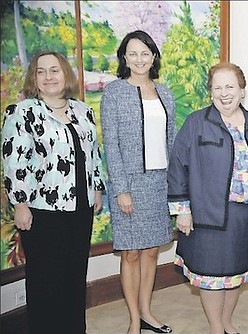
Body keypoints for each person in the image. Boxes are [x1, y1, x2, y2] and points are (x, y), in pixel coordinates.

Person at [1, 50, 105, 333]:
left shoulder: (83, 111)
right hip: (42, 212)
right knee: (46, 282)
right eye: (41, 71)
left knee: (74, 276)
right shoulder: (22, 112)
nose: (48, 77)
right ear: (34, 77)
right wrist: (20, 203)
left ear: (65, 74)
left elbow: (92, 154)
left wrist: (96, 188)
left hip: (80, 209)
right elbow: (14, 161)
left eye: (54, 70)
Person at [167, 62, 248, 334]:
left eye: (230, 86)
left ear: (242, 90)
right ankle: (216, 327)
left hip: (245, 216)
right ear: (210, 92)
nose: (224, 93)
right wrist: (183, 209)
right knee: (211, 276)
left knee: (235, 273)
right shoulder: (196, 123)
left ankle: (227, 321)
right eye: (218, 87)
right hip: (208, 215)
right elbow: (178, 165)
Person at [100, 30, 175, 334]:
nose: (139, 59)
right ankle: (133, 320)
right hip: (129, 184)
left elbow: (170, 140)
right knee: (131, 252)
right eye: (133, 53)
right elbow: (111, 145)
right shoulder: (114, 92)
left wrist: (177, 185)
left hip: (160, 183)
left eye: (145, 53)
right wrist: (121, 190)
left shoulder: (165, 93)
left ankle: (146, 312)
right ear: (124, 58)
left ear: (153, 57)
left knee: (153, 251)